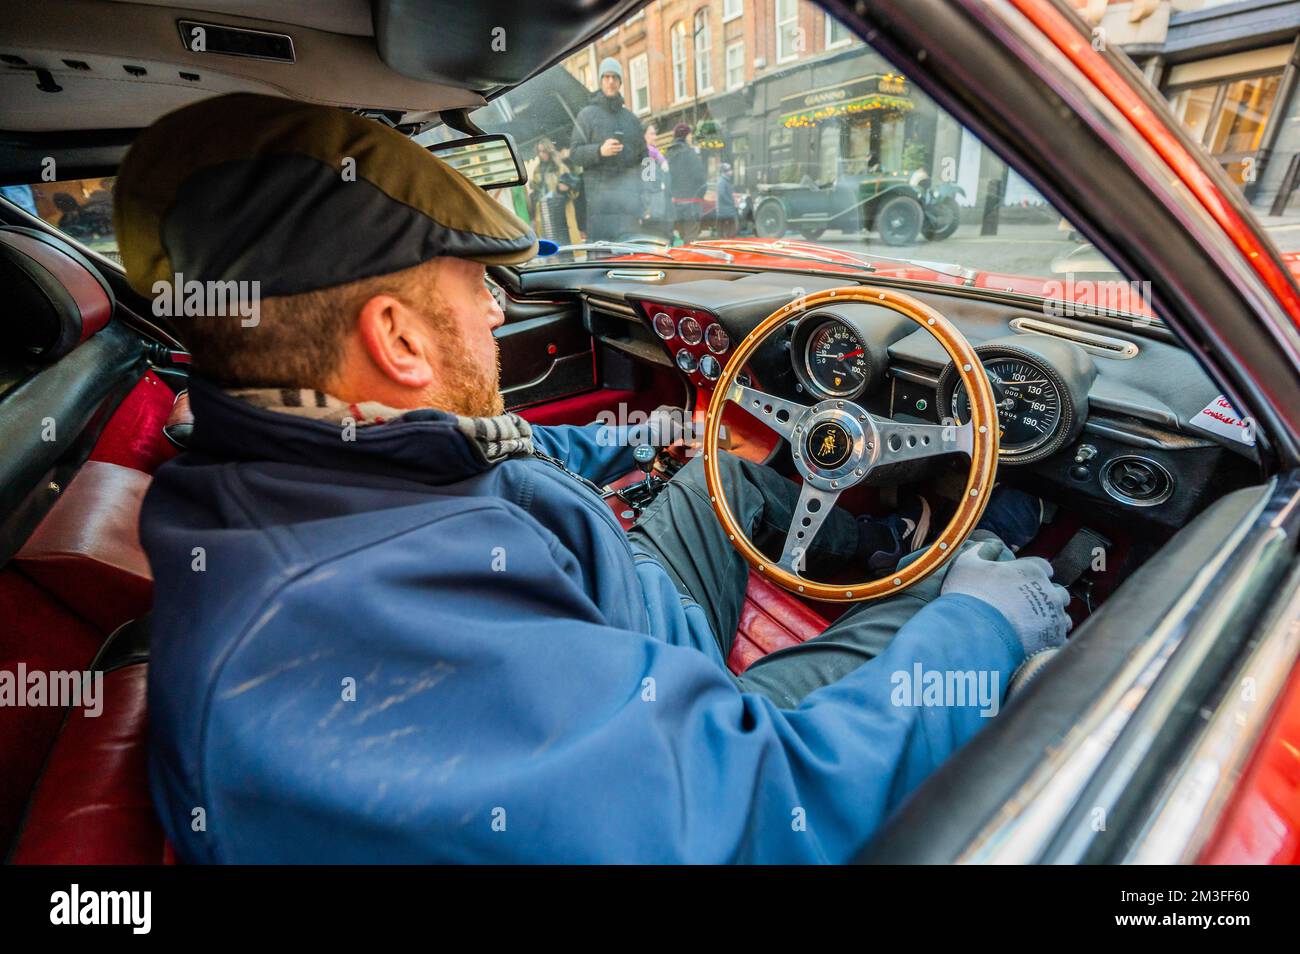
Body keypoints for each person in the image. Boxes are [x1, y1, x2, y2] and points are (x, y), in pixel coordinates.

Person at [118, 92, 1069, 864]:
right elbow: (757, 816)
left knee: (721, 481)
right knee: (958, 592)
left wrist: (657, 432)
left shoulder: (304, 451)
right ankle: (953, 578)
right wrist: (979, 626)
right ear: (397, 339)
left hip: (616, 606)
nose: (495, 314)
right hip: (672, 710)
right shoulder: (359, 645)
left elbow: (502, 457)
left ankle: (882, 548)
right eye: (475, 289)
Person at [568, 58, 646, 241]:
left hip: (629, 207)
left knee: (629, 262)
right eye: (606, 77)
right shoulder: (587, 115)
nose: (611, 81)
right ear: (601, 80)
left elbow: (647, 158)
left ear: (620, 82)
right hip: (599, 207)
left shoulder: (632, 120)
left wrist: (649, 190)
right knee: (602, 261)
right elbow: (574, 153)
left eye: (615, 77)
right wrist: (599, 151)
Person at [525, 138, 581, 247]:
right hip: (544, 209)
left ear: (549, 150)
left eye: (544, 151)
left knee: (564, 239)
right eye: (539, 151)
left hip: (561, 209)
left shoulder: (561, 167)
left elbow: (572, 190)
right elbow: (536, 191)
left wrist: (563, 190)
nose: (541, 154)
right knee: (548, 239)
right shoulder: (537, 170)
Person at [665, 122, 707, 244]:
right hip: (691, 203)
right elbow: (700, 177)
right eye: (689, 135)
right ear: (685, 135)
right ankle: (688, 261)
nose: (691, 137)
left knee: (680, 235)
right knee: (691, 236)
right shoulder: (690, 153)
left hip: (674, 203)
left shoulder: (667, 154)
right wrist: (700, 196)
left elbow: (665, 178)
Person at [641, 122, 672, 240]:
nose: (656, 137)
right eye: (652, 134)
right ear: (644, 136)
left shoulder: (654, 155)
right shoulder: (648, 158)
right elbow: (648, 186)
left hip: (658, 210)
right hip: (655, 213)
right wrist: (647, 211)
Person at [715, 161, 738, 237]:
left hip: (725, 210)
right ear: (725, 172)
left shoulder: (725, 181)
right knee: (731, 228)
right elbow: (722, 195)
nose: (731, 171)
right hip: (726, 210)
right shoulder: (722, 181)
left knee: (724, 229)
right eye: (729, 170)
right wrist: (731, 203)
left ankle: (725, 241)